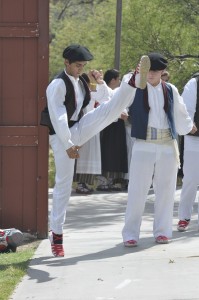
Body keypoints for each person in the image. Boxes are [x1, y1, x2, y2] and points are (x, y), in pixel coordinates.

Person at [46, 44, 148, 257]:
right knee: (64, 183)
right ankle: (56, 234)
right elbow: (58, 117)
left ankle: (132, 79)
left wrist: (100, 82)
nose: (80, 69)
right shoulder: (57, 84)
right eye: (77, 66)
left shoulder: (82, 80)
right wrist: (68, 144)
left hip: (79, 127)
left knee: (110, 112)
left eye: (83, 66)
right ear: (66, 63)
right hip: (61, 135)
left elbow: (105, 98)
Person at [122, 52, 197, 247]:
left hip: (166, 145)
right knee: (137, 190)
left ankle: (163, 231)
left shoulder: (170, 89)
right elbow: (122, 91)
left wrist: (189, 127)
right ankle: (130, 233)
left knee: (166, 190)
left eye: (154, 71)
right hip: (143, 144)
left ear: (162, 71)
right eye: (147, 70)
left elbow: (180, 114)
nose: (151, 74)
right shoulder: (135, 87)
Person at [73, 72, 110, 194]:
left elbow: (105, 98)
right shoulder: (79, 92)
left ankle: (84, 183)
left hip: (90, 126)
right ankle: (80, 183)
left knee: (88, 155)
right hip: (81, 126)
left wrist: (100, 83)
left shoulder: (90, 92)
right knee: (83, 155)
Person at [97, 69, 129, 192]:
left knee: (116, 153)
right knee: (106, 152)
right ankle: (103, 180)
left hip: (118, 126)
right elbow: (104, 106)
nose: (120, 81)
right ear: (113, 80)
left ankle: (112, 180)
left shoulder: (118, 92)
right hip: (108, 126)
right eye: (118, 79)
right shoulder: (106, 92)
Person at [177, 74, 199, 231]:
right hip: (195, 138)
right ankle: (184, 216)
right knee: (191, 178)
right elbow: (186, 109)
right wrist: (189, 126)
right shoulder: (194, 82)